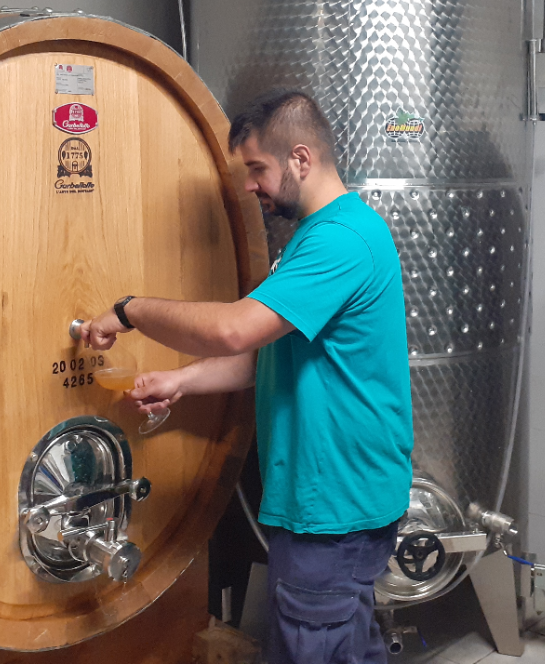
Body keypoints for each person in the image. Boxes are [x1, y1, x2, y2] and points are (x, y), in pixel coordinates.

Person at [76, 89, 413, 664]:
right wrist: (182, 382)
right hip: (336, 498)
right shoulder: (320, 235)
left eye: (257, 168)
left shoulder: (340, 240)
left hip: (333, 505)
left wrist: (129, 311)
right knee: (348, 646)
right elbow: (268, 352)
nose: (251, 186)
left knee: (314, 647)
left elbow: (235, 330)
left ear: (300, 159)